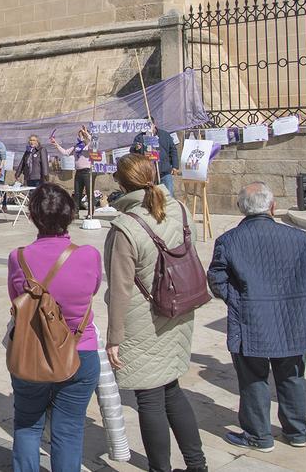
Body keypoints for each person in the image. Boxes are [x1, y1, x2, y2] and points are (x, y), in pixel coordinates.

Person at [208, 182, 306, 452]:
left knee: (253, 378)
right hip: (292, 318)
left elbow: (216, 280)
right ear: (272, 207)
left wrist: (239, 300)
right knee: (292, 375)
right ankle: (296, 432)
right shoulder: (298, 237)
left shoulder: (229, 240)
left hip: (252, 318)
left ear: (241, 209)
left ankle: (259, 435)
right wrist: (304, 297)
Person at [104, 153, 207, 472]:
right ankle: (196, 464)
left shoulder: (126, 226)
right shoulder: (177, 208)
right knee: (171, 388)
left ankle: (159, 468)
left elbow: (120, 289)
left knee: (149, 398)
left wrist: (114, 338)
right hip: (178, 308)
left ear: (121, 184)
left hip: (144, 318)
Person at [7, 183, 102, 471]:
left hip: (31, 349)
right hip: (79, 351)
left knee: (27, 424)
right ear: (70, 215)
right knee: (69, 429)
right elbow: (93, 289)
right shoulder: (89, 255)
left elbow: (16, 300)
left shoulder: (18, 257)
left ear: (33, 217)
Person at [130, 123, 180, 197]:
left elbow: (173, 150)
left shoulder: (165, 135)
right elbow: (132, 152)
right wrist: (136, 148)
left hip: (164, 172)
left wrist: (175, 166)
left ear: (154, 125)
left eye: (149, 126)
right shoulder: (139, 137)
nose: (148, 128)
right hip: (149, 174)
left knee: (168, 196)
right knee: (152, 197)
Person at [51, 127, 94, 211]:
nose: (80, 137)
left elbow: (93, 141)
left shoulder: (89, 145)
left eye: (82, 135)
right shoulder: (76, 146)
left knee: (89, 193)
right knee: (77, 193)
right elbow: (65, 152)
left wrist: (86, 133)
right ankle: (76, 212)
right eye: (79, 135)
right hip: (78, 171)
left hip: (87, 172)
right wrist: (56, 145)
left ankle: (90, 212)